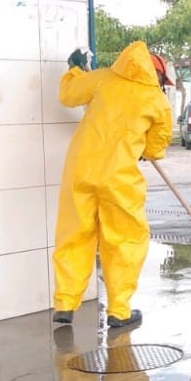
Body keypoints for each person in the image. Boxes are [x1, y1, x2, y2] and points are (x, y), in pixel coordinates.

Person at [52, 41, 174, 328]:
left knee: (74, 235)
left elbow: (68, 95)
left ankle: (65, 304)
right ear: (157, 75)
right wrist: (144, 148)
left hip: (80, 170)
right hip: (118, 179)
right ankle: (119, 310)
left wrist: (74, 70)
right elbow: (156, 147)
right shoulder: (156, 100)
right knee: (124, 240)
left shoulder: (103, 78)